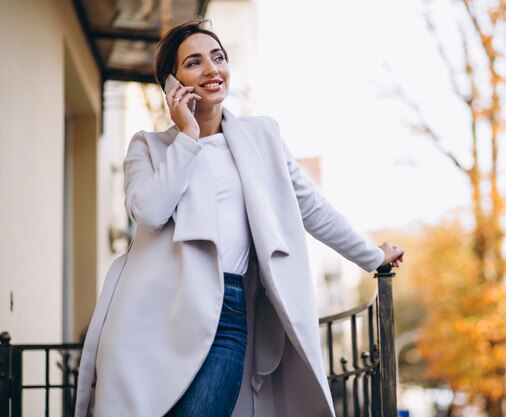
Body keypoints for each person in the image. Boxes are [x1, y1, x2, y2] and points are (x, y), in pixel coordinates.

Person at [75, 19, 404, 417]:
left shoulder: (261, 137)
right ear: (171, 84)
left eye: (218, 57)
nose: (212, 69)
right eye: (194, 63)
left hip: (228, 312)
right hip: (151, 314)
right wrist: (187, 136)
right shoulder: (148, 147)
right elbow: (150, 213)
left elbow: (312, 208)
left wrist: (372, 255)